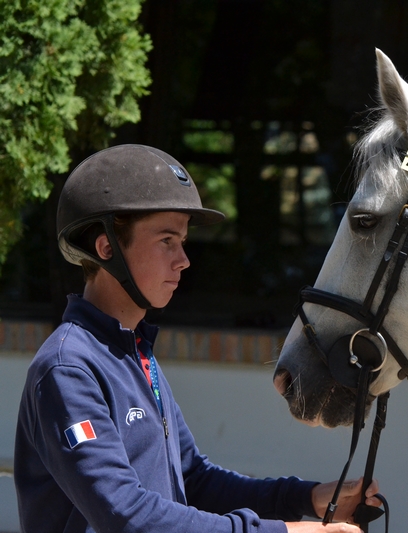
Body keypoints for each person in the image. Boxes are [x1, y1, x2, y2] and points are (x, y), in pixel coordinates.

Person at [14, 144, 378, 533]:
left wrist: (305, 498)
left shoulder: (135, 354)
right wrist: (286, 532)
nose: (184, 259)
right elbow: (127, 517)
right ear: (107, 248)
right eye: (167, 241)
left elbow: (194, 481)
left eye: (183, 242)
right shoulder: (67, 369)